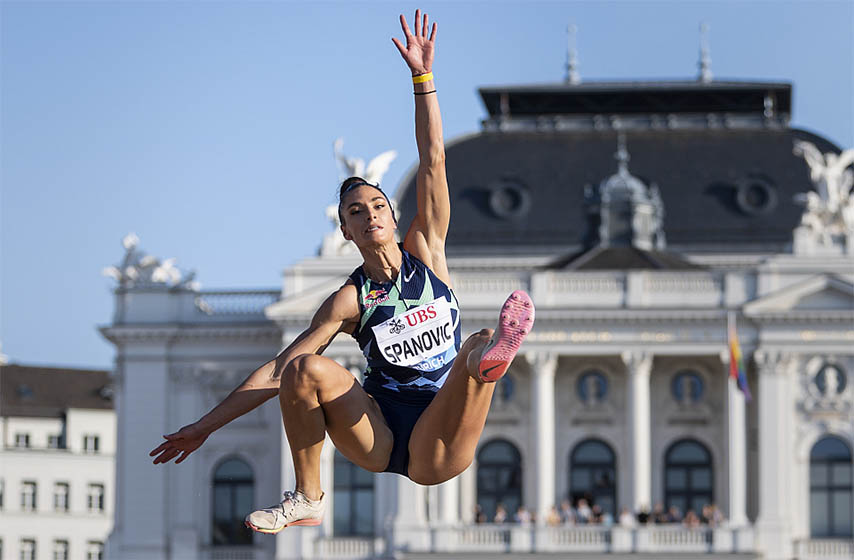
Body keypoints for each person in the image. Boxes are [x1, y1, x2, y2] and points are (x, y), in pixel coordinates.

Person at [148, 9, 534, 535]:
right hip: (376, 433)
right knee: (305, 368)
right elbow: (277, 372)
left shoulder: (428, 251)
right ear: (345, 232)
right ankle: (307, 497)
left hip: (440, 436)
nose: (369, 213)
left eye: (376, 205)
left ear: (394, 215)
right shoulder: (348, 301)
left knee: (483, 339)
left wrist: (423, 80)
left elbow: (434, 158)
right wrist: (203, 427)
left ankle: (491, 358)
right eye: (355, 212)